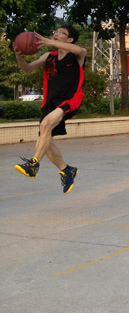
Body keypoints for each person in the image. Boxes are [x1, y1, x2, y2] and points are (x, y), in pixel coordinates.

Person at [13, 25, 86, 194]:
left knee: (45, 125)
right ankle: (67, 170)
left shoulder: (76, 56)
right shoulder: (49, 56)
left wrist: (48, 42)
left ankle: (33, 164)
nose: (56, 33)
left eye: (61, 32)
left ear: (70, 39)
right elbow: (27, 68)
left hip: (70, 99)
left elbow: (80, 50)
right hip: (50, 102)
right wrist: (19, 56)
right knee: (45, 142)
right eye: (56, 31)